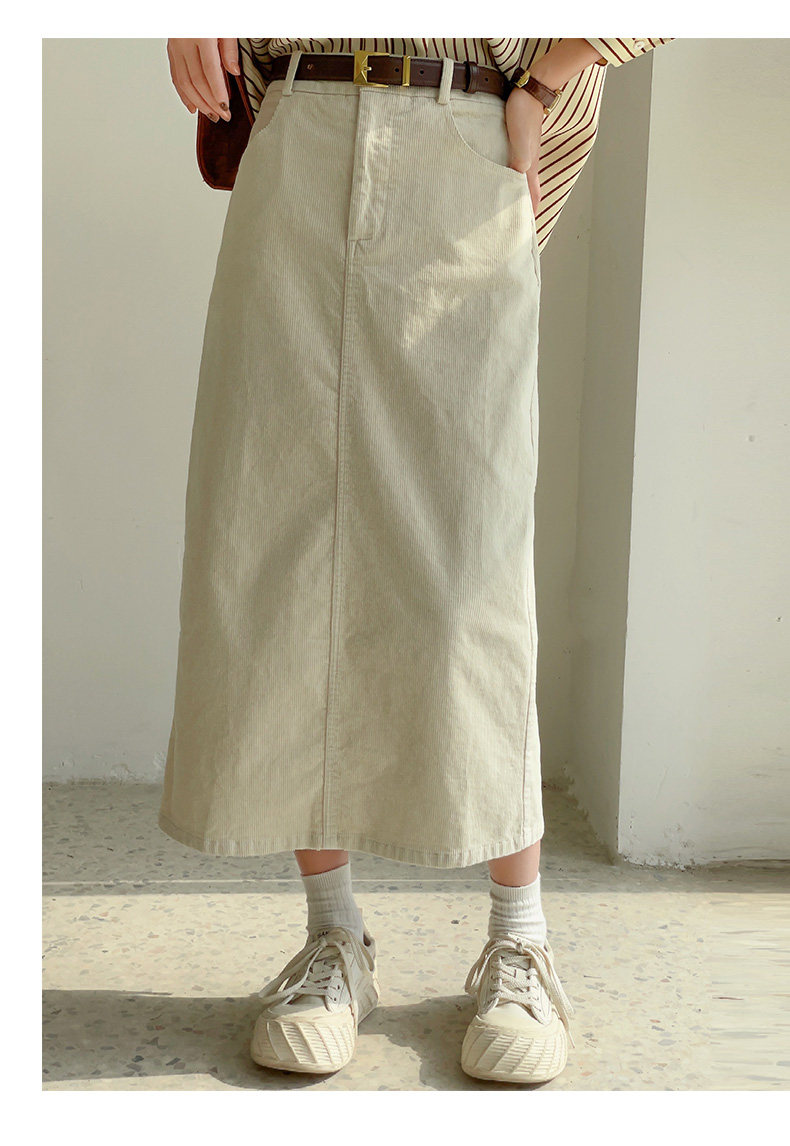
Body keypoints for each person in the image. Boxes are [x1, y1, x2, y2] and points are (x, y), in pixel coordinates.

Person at [161, 36, 673, 1086]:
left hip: (466, 140)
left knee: (468, 581)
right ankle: (332, 937)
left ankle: (520, 942)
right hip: (299, 128)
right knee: (280, 550)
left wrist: (545, 80)